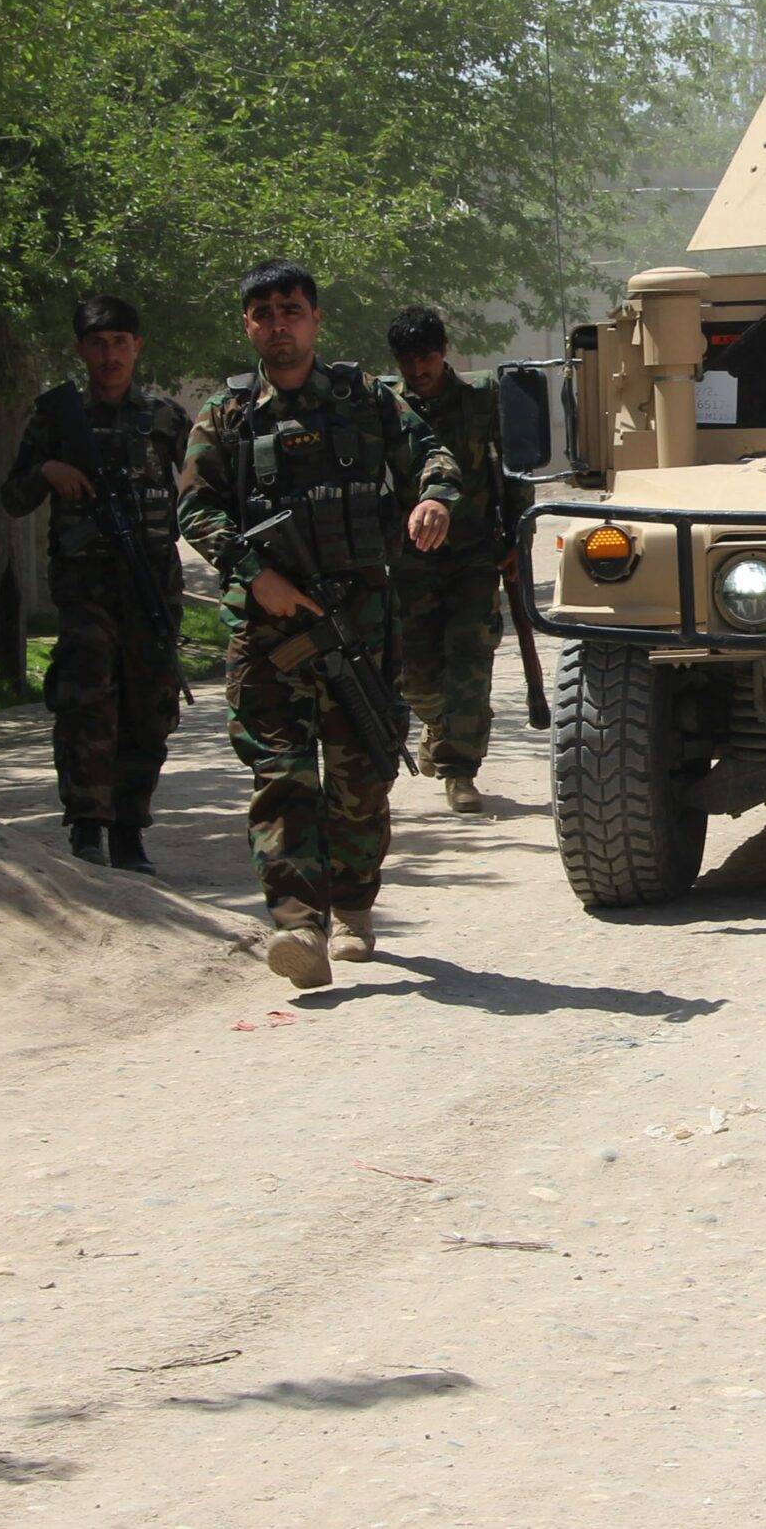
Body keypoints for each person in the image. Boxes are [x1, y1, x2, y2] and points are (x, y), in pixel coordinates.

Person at [179, 261, 461, 988]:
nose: (279, 323)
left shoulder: (366, 401)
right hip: (269, 635)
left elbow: (432, 454)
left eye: (292, 310)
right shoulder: (228, 416)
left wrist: (433, 499)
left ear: (315, 318)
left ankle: (354, 909)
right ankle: (299, 924)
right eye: (264, 312)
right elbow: (195, 508)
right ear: (248, 325)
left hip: (358, 624)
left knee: (361, 774)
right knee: (282, 778)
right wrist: (256, 576)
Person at [0, 295, 189, 874]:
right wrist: (46, 471)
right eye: (99, 344)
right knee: (85, 703)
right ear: (82, 350)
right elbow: (13, 497)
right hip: (85, 589)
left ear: (137, 347)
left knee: (148, 708)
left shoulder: (166, 419)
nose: (111, 355)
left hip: (151, 586)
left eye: (121, 343)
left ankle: (130, 829)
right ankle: (87, 827)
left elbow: (208, 490)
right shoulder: (58, 419)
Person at [385, 308, 530, 812]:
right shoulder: (385, 406)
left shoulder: (480, 398)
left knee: (470, 658)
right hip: (409, 559)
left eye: (425, 357)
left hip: (472, 553)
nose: (417, 369)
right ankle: (438, 726)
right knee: (416, 673)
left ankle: (459, 770)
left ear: (443, 351)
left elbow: (513, 470)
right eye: (407, 360)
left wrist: (518, 536)